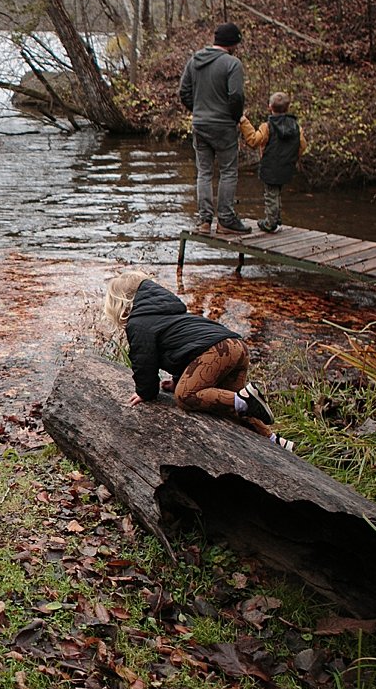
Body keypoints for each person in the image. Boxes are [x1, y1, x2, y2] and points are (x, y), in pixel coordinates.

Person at [101, 269, 294, 450]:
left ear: (120, 303)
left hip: (217, 351)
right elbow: (186, 350)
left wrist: (146, 392)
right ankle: (273, 440)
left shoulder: (139, 324)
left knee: (186, 396)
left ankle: (244, 400)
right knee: (224, 404)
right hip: (236, 346)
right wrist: (178, 380)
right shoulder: (168, 312)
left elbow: (144, 361)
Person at [179, 22, 249, 234]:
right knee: (228, 171)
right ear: (232, 43)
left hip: (200, 124)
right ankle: (226, 220)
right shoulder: (232, 64)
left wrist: (198, 110)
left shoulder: (194, 61)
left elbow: (184, 92)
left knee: (204, 172)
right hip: (224, 125)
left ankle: (204, 221)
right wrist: (235, 117)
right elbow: (236, 95)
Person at [240, 91, 306, 233]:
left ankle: (270, 222)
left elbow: (253, 140)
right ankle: (277, 217)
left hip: (270, 166)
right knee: (277, 191)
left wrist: (244, 122)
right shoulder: (296, 126)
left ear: (270, 107)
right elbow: (302, 145)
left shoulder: (267, 126)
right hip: (287, 166)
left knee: (270, 194)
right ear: (288, 108)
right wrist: (292, 158)